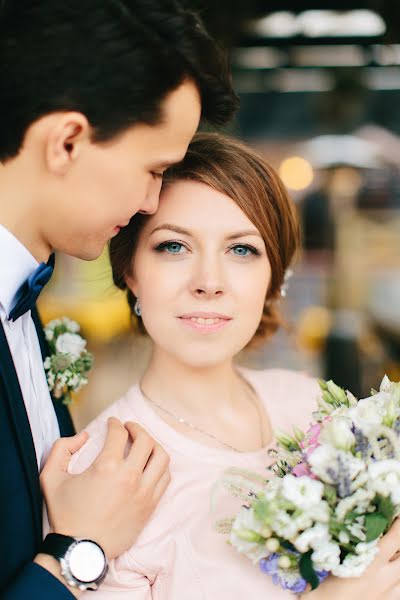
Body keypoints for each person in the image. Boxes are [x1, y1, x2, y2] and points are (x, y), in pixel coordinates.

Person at [68, 132, 400, 599]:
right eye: (174, 246)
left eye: (242, 249)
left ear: (272, 278)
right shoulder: (104, 475)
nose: (209, 282)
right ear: (131, 271)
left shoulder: (314, 407)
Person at [0, 2, 238, 597]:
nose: (155, 203)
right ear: (68, 142)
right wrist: (80, 550)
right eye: (154, 169)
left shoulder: (26, 307)